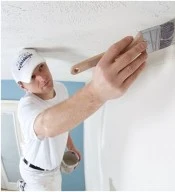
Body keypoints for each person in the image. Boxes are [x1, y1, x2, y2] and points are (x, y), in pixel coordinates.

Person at [11, 36, 148, 191]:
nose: (42, 77)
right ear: (22, 86)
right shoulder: (26, 106)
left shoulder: (61, 88)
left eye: (41, 66)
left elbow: (63, 122)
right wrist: (96, 92)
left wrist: (71, 146)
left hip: (54, 169)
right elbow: (47, 126)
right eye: (32, 76)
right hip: (36, 174)